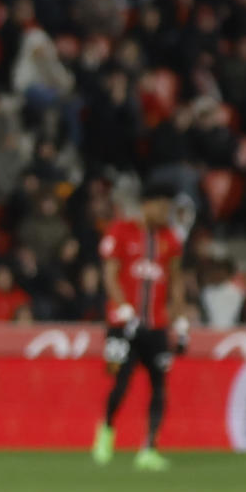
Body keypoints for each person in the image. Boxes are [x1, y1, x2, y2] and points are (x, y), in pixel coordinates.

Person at [92, 180, 189, 472]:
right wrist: (123, 309)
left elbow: (175, 283)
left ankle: (149, 448)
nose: (165, 212)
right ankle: (106, 430)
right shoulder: (121, 231)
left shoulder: (170, 239)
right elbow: (110, 275)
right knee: (120, 382)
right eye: (161, 206)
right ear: (147, 205)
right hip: (124, 325)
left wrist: (180, 321)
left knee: (159, 386)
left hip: (156, 326)